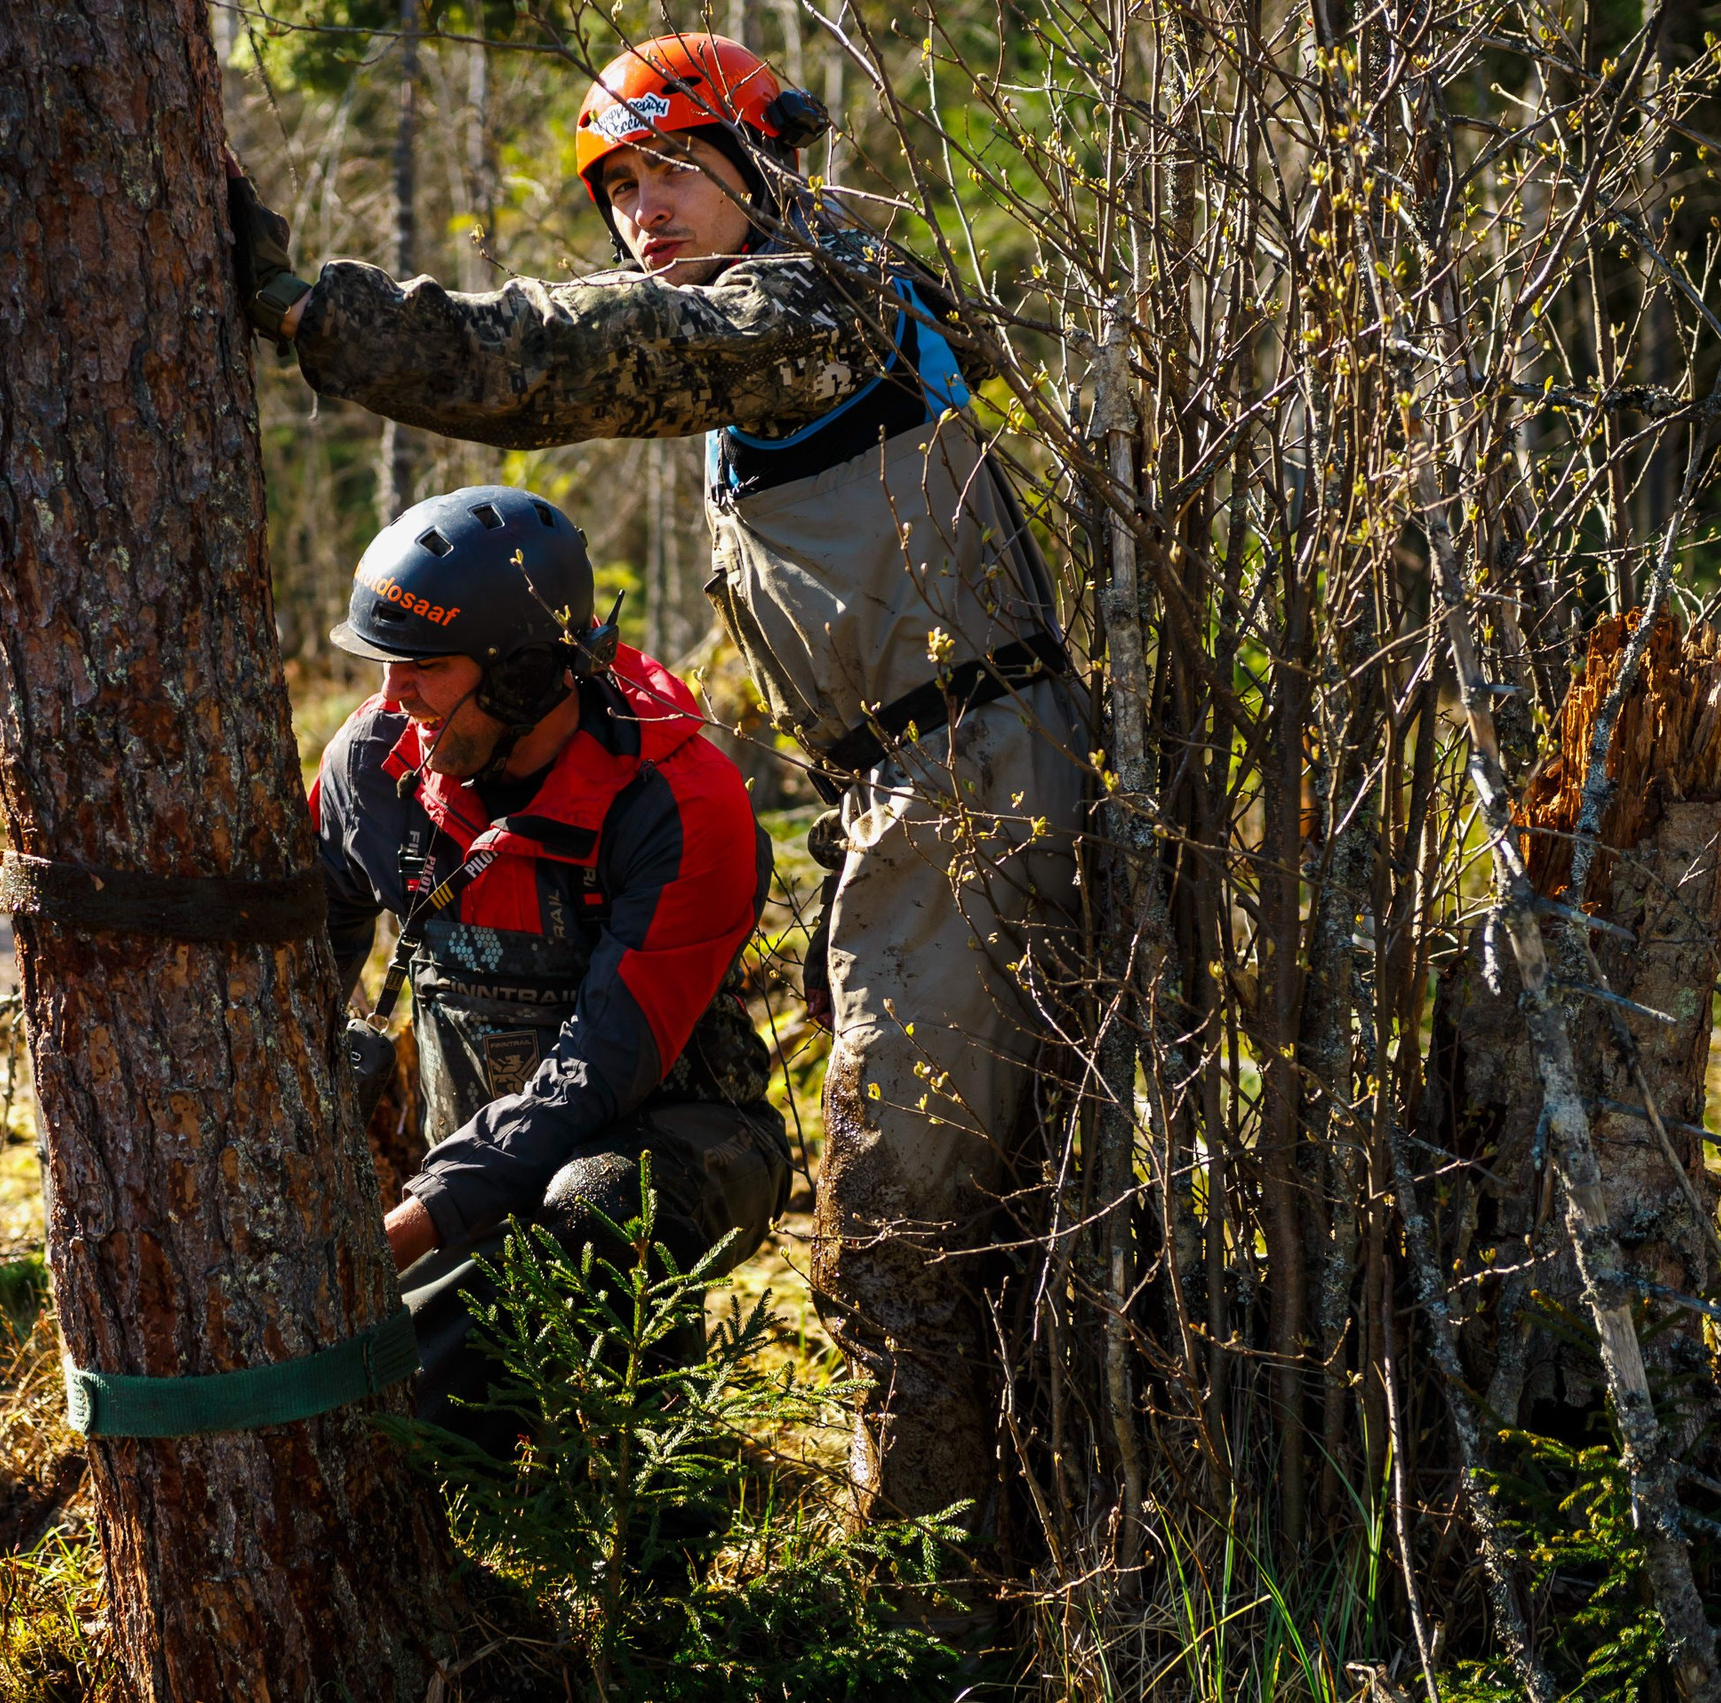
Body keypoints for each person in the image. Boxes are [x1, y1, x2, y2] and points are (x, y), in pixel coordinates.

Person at [236, 34, 1091, 1526]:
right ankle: (1012, 1531)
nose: (644, 211)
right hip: (905, 786)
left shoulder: (808, 303)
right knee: (966, 1200)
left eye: (676, 169)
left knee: (895, 1221)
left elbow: (558, 356)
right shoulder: (802, 330)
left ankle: (926, 1600)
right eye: (619, 186)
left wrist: (316, 313)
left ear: (769, 160)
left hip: (971, 782)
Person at [311, 484, 789, 1450]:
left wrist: (408, 1228)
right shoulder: (373, 762)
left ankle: (649, 1526)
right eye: (386, 670)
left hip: (679, 1136)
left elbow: (597, 1070)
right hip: (465, 1147)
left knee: (601, 1202)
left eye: (424, 670)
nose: (393, 703)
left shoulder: (679, 801)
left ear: (527, 676)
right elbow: (294, 962)